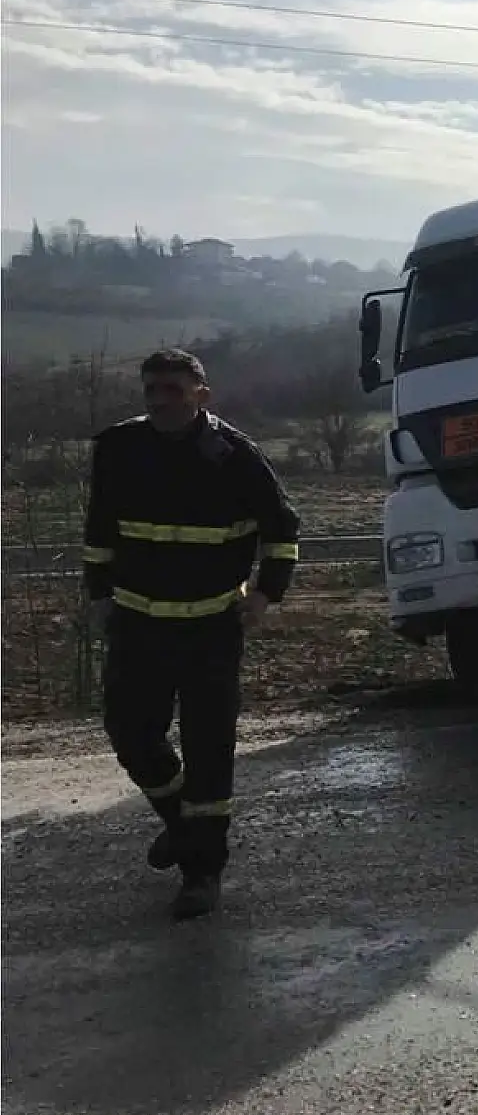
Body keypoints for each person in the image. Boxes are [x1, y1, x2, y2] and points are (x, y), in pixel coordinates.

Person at [83, 348, 301, 919]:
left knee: (209, 752)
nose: (159, 400)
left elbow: (283, 528)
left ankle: (203, 871)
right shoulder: (119, 448)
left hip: (209, 628)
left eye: (172, 390)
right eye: (151, 390)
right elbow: (100, 526)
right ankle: (183, 825)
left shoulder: (236, 457)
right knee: (131, 735)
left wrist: (267, 593)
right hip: (136, 623)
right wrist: (98, 594)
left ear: (201, 394)